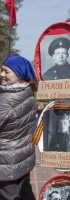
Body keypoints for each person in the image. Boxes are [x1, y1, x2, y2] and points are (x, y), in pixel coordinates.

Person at [0, 54, 37, 200]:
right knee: (25, 192)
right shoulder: (27, 93)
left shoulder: (7, 99)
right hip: (22, 158)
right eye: (1, 70)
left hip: (5, 163)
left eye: (6, 71)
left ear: (19, 74)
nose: (2, 74)